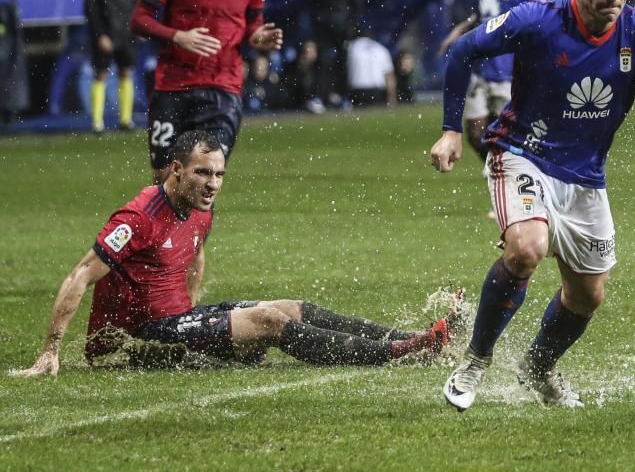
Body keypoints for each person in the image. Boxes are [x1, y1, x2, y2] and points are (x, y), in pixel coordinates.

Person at [429, 0, 635, 410]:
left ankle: (537, 368)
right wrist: (451, 130)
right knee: (526, 250)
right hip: (520, 152)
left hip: (586, 177)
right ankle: (475, 360)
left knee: (588, 296)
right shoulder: (538, 20)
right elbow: (464, 50)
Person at [13, 130, 457, 377]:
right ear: (176, 170)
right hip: (139, 337)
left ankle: (410, 337)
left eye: (220, 174)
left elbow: (196, 254)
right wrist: (51, 351)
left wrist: (192, 312)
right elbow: (80, 275)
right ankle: (399, 352)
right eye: (203, 173)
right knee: (271, 322)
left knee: (291, 306)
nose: (213, 184)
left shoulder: (199, 207)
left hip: (174, 323)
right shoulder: (138, 217)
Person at [130, 0, 283, 184]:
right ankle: (162, 232)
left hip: (222, 91)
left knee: (204, 178)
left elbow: (253, 24)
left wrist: (258, 39)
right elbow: (139, 19)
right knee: (165, 181)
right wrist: (177, 36)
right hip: (173, 87)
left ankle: (194, 233)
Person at [437, 0, 545, 166]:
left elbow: (541, 21)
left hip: (509, 70)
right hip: (480, 66)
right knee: (475, 133)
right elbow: (479, 15)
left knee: (506, 136)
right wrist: (457, 33)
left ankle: (511, 184)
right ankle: (497, 172)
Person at [85, 0, 140, 133]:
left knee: (126, 71)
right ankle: (97, 122)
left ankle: (126, 120)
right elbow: (91, 11)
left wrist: (137, 29)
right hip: (106, 35)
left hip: (125, 35)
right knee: (101, 74)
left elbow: (135, 6)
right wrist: (100, 35)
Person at [307, 0, 361, 111]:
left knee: (343, 64)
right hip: (323, 32)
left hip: (343, 31)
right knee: (322, 63)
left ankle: (343, 97)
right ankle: (319, 97)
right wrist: (316, 27)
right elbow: (312, 8)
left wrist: (351, 27)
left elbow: (356, 6)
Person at [346, 27, 396, 108]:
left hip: (358, 91)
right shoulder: (381, 49)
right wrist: (391, 97)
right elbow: (389, 76)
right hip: (377, 91)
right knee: (378, 118)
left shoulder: (351, 47)